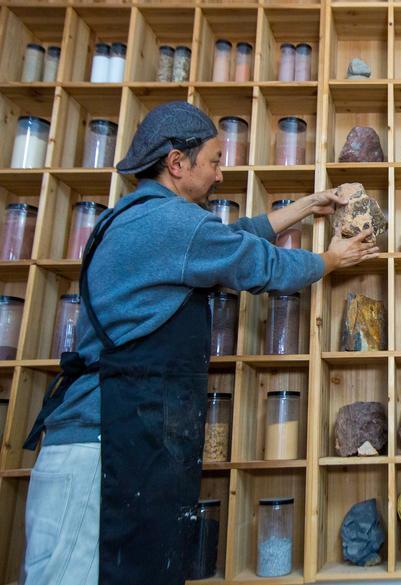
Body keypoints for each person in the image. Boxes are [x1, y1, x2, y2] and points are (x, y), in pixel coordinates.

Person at [20, 101, 379, 585]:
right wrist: (332, 260)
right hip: (101, 449)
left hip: (113, 437)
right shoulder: (173, 224)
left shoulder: (135, 216)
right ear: (177, 163)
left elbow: (227, 240)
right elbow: (260, 264)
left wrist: (305, 206)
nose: (220, 174)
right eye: (214, 160)